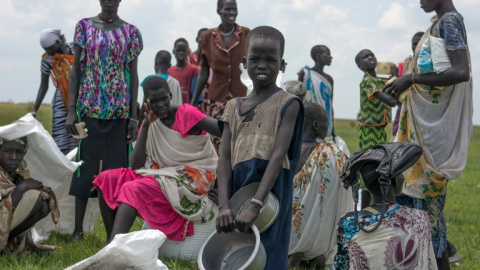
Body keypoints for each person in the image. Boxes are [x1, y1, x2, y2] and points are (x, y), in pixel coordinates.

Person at [383, 1, 472, 268]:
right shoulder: (438, 23)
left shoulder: (450, 22)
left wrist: (411, 79)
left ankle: (437, 258)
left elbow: (461, 71)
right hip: (422, 126)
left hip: (432, 135)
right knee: (416, 207)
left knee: (426, 210)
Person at [215, 26, 304, 270]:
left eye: (270, 60)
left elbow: (277, 155)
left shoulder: (288, 104)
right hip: (238, 187)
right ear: (244, 62)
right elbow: (224, 158)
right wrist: (224, 205)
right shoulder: (233, 106)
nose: (262, 65)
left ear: (282, 65)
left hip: (271, 191)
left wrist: (257, 203)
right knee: (238, 253)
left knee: (268, 255)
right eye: (255, 59)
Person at [92, 76, 220, 243]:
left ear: (171, 96)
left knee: (133, 188)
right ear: (147, 101)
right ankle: (112, 241)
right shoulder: (150, 120)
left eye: (164, 99)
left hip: (194, 175)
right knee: (106, 179)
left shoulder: (185, 113)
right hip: (163, 171)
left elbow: (224, 130)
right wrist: (145, 124)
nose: (160, 105)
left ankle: (112, 249)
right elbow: (136, 165)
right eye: (155, 101)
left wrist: (223, 175)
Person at [65, 0, 143, 241]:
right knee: (85, 167)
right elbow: (76, 70)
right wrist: (72, 108)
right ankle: (77, 230)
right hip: (89, 108)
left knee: (118, 172)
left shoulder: (131, 32)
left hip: (119, 112)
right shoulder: (84, 27)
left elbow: (132, 74)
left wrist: (133, 115)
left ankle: (114, 233)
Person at [334, 143, 437, 269]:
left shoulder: (347, 223)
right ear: (394, 180)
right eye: (400, 173)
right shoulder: (420, 218)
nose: (403, 178)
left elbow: (341, 265)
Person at [288, 102, 352, 269]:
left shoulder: (284, 149)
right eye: (326, 123)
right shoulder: (331, 155)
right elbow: (334, 198)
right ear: (316, 125)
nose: (328, 128)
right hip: (316, 242)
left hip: (285, 231)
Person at [190, 0, 250, 152]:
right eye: (227, 9)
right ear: (219, 11)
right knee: (217, 140)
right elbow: (203, 72)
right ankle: (220, 174)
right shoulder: (208, 37)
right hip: (217, 98)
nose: (231, 13)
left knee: (242, 138)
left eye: (234, 9)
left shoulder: (246, 34)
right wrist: (192, 102)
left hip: (242, 97)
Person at [0, 137, 59, 253]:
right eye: (8, 151)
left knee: (43, 202)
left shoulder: (12, 176)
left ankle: (5, 246)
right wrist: (21, 189)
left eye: (19, 152)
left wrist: (19, 186)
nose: (14, 157)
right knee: (33, 195)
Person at [355, 49, 397, 209]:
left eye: (372, 55)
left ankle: (370, 209)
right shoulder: (367, 82)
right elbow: (391, 101)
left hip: (379, 129)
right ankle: (365, 210)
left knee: (378, 168)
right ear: (360, 66)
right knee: (370, 170)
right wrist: (396, 79)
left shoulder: (378, 80)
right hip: (369, 131)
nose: (370, 58)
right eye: (365, 57)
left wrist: (394, 77)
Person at [32, 29, 77, 155]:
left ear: (58, 42)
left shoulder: (75, 48)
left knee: (81, 132)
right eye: (46, 49)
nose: (49, 51)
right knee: (62, 137)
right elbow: (43, 86)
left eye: (50, 48)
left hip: (82, 97)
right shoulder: (48, 60)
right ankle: (64, 168)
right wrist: (34, 109)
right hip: (61, 101)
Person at [298, 45, 335, 139]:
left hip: (325, 120)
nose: (331, 57)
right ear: (318, 56)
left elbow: (330, 104)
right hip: (309, 119)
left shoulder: (329, 79)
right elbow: (298, 98)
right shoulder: (305, 74)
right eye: (328, 54)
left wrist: (333, 130)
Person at [392, 31, 424, 137]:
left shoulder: (428, 64)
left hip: (423, 109)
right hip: (404, 107)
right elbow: (398, 89)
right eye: (414, 44)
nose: (417, 46)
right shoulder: (405, 64)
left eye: (420, 43)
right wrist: (395, 77)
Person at [138, 50, 182, 124]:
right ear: (169, 65)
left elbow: (144, 104)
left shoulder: (149, 80)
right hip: (172, 121)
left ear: (155, 63)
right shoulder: (175, 82)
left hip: (154, 121)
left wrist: (140, 124)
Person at [168, 38, 200, 105]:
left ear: (188, 52)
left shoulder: (194, 70)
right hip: (172, 109)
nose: (181, 53)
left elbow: (196, 94)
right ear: (173, 51)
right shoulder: (169, 71)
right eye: (178, 50)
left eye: (183, 50)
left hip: (188, 108)